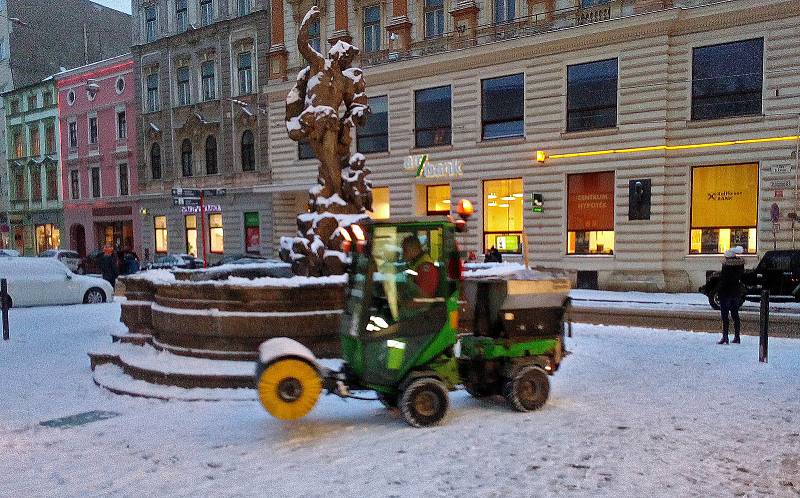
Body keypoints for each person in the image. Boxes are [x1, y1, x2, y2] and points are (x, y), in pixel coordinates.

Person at [717, 245, 745, 345]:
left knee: (725, 316)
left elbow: (724, 280)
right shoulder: (740, 265)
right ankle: (737, 336)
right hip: (736, 292)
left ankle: (725, 337)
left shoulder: (727, 266)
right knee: (735, 315)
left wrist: (719, 290)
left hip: (726, 293)